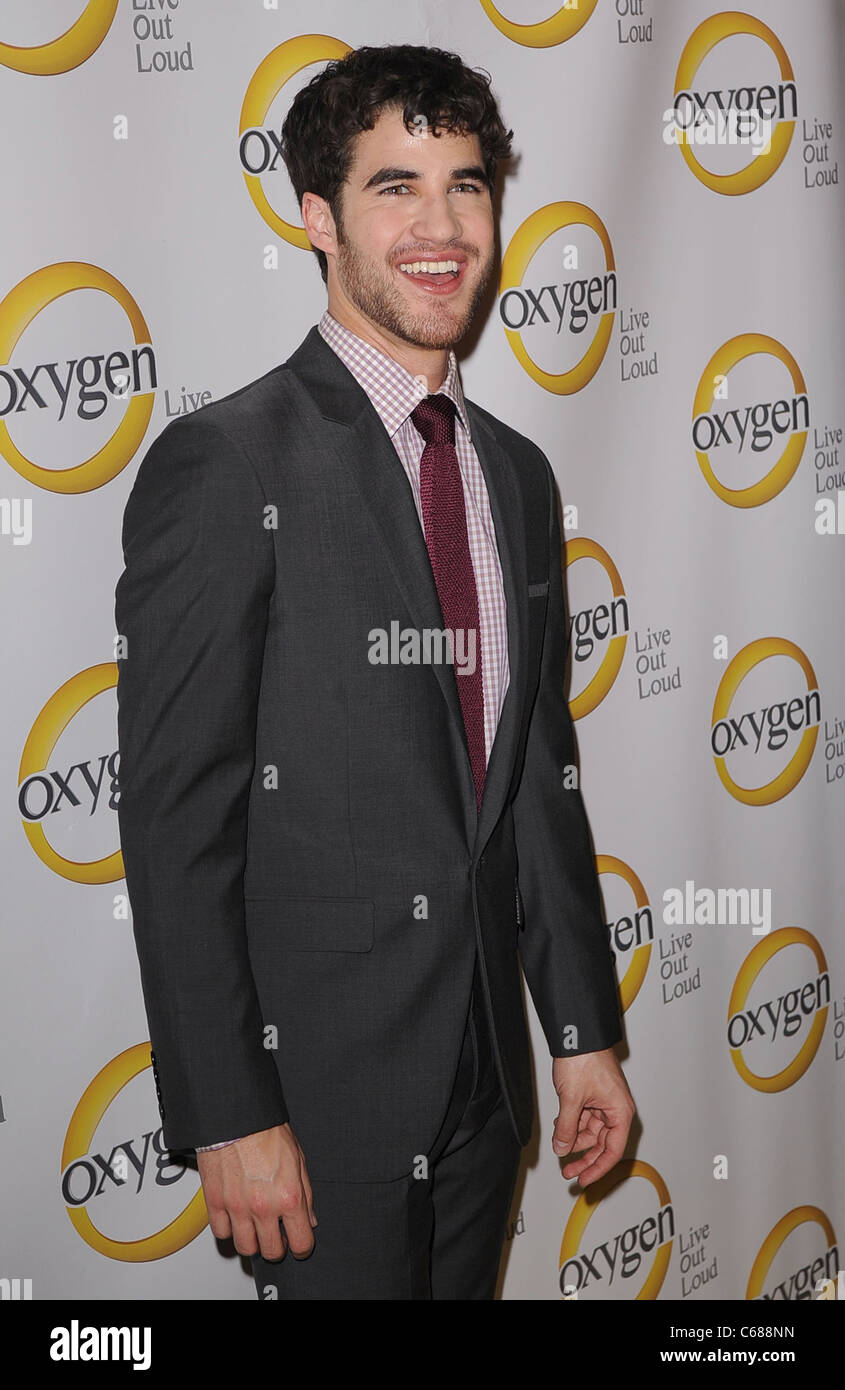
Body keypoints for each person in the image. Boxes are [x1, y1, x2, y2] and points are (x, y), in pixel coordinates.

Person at [114, 43, 635, 1301]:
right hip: (316, 1111)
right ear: (316, 216)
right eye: (394, 187)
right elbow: (176, 816)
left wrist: (578, 1034)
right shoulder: (226, 464)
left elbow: (535, 779)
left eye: (465, 185)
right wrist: (232, 1111)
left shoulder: (514, 472)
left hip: (487, 1090)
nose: (442, 227)